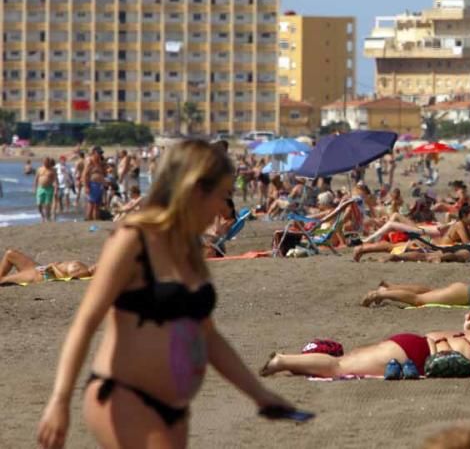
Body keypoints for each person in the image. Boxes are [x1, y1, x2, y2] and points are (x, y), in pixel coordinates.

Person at [37, 139, 295, 449]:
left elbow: (208, 336)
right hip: (123, 396)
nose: (225, 208)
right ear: (194, 189)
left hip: (173, 410)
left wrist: (259, 394)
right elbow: (85, 322)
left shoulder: (189, 248)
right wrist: (60, 400)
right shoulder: (133, 240)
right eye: (222, 195)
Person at [259, 305, 470, 378]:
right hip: (414, 352)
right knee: (339, 366)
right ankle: (282, 360)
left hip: (413, 345)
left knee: (344, 364)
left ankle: (290, 364)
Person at [361, 249, 470, 307]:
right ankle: (380, 294)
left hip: (468, 291)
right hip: (467, 295)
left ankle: (390, 287)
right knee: (420, 300)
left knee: (429, 292)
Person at [1, 249, 94, 285]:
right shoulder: (82, 265)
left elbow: (62, 278)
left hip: (40, 275)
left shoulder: (82, 271)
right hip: (40, 268)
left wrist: (53, 266)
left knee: (2, 280)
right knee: (10, 253)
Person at [35, 157, 58, 221]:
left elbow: (55, 180)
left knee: (47, 204)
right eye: (44, 162)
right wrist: (35, 188)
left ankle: (47, 217)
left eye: (47, 162)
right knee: (39, 204)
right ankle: (42, 215)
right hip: (40, 188)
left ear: (48, 162)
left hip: (49, 188)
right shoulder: (39, 169)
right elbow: (36, 179)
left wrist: (56, 189)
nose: (45, 163)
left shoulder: (52, 170)